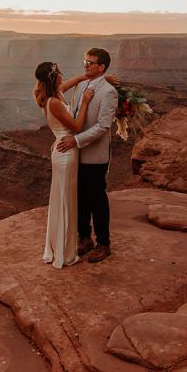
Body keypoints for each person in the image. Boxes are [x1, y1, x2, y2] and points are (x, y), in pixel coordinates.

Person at [55, 48, 118, 263]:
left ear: (101, 67)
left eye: (90, 63)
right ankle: (84, 238)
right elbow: (74, 114)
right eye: (85, 61)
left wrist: (76, 140)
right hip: (76, 154)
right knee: (80, 197)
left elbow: (103, 127)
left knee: (97, 199)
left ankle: (103, 243)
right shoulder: (82, 85)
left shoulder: (108, 92)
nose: (86, 65)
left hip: (95, 155)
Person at [33, 61, 94, 269]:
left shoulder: (56, 93)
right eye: (59, 72)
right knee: (66, 200)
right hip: (66, 153)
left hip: (63, 150)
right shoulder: (54, 103)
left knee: (64, 198)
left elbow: (76, 80)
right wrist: (85, 101)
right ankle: (65, 253)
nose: (62, 74)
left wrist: (97, 77)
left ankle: (61, 247)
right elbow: (76, 126)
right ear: (53, 78)